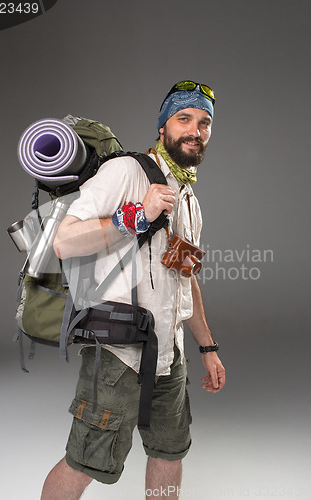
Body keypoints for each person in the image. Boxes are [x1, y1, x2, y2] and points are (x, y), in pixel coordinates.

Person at [41, 80, 226, 500]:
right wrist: (135, 215)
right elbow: (64, 241)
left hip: (169, 352)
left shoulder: (189, 197)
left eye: (204, 122)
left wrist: (208, 347)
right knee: (84, 461)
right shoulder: (125, 172)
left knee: (169, 452)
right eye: (184, 119)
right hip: (118, 352)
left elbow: (185, 278)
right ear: (163, 128)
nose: (194, 130)